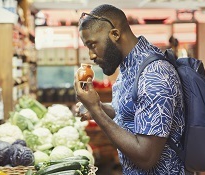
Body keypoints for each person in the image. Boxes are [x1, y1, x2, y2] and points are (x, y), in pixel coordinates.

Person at [74, 4, 188, 175]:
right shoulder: (129, 67)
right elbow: (130, 111)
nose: (91, 55)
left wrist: (95, 110)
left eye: (92, 45)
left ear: (115, 34)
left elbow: (146, 157)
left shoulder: (154, 75)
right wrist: (100, 107)